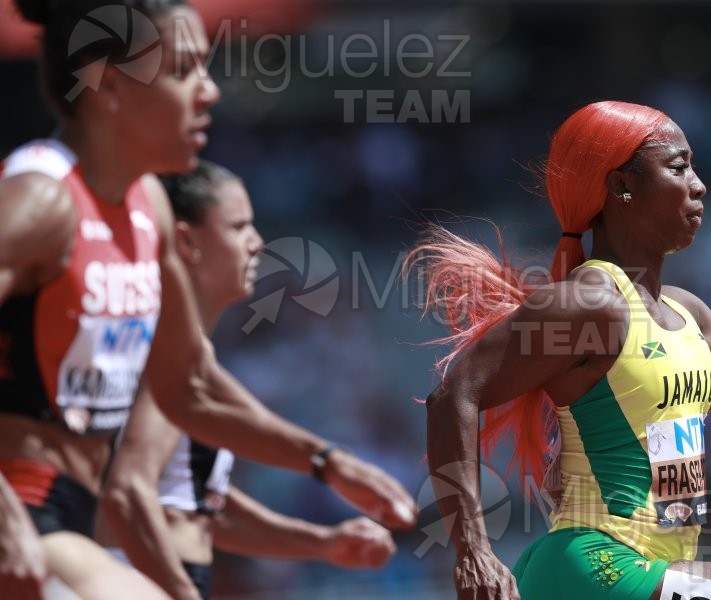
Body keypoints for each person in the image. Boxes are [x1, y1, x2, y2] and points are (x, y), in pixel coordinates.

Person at [0, 1, 415, 598]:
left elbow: (189, 388)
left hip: (66, 522)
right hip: (23, 506)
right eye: (184, 69)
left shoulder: (150, 208)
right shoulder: (40, 200)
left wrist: (327, 462)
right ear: (109, 86)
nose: (211, 92)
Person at [410, 100, 711, 599]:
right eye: (679, 166)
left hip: (658, 564)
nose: (699, 184)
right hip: (597, 563)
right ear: (622, 186)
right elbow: (454, 396)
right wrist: (473, 550)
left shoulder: (689, 315)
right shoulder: (591, 304)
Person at [97, 161, 397, 600]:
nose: (257, 244)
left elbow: (201, 506)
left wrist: (322, 543)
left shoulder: (193, 350)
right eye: (239, 227)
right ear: (186, 241)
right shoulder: (162, 348)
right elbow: (126, 492)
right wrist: (179, 591)